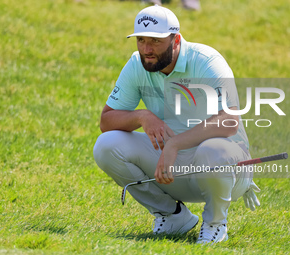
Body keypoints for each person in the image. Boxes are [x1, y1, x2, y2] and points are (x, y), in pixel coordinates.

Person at [93, 5, 260, 244]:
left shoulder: (207, 61)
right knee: (106, 145)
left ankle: (215, 223)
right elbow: (106, 120)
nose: (146, 50)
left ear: (176, 39)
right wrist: (143, 116)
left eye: (155, 41)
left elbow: (229, 120)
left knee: (213, 150)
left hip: (226, 170)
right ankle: (172, 216)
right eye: (140, 40)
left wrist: (175, 144)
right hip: (171, 170)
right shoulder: (137, 63)